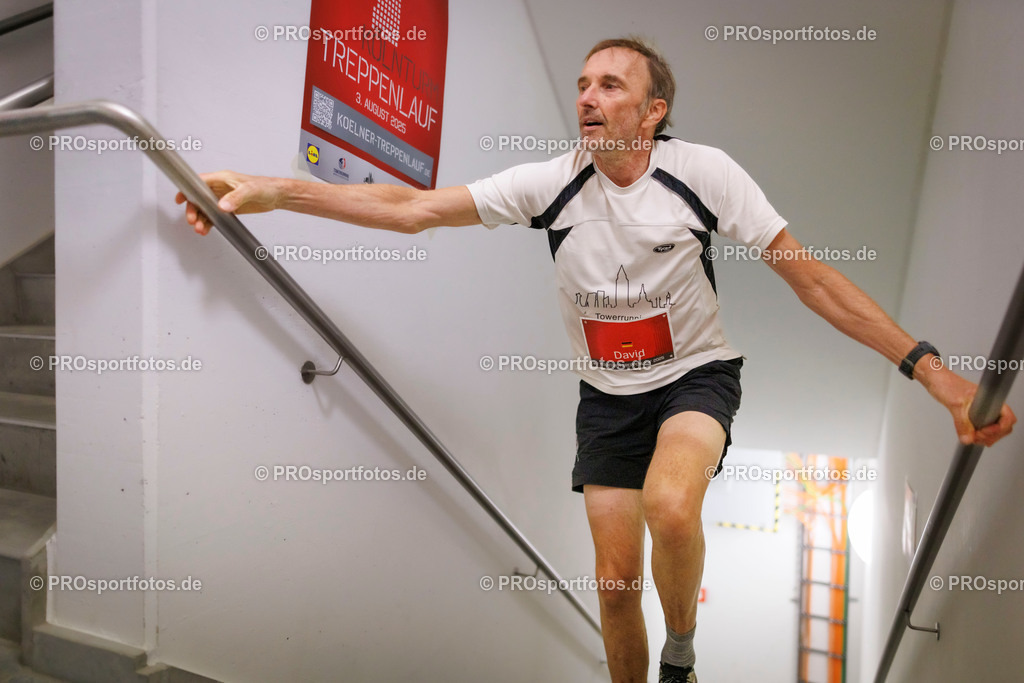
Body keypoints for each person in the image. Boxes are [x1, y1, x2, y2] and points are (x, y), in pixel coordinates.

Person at [177, 36, 1016, 683]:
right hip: (605, 397)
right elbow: (413, 208)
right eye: (582, 83)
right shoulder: (553, 182)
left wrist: (932, 368)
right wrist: (274, 189)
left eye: (610, 84)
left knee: (673, 507)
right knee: (614, 591)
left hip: (696, 377)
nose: (588, 96)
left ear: (653, 112)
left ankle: (682, 646)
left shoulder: (704, 174)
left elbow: (814, 282)